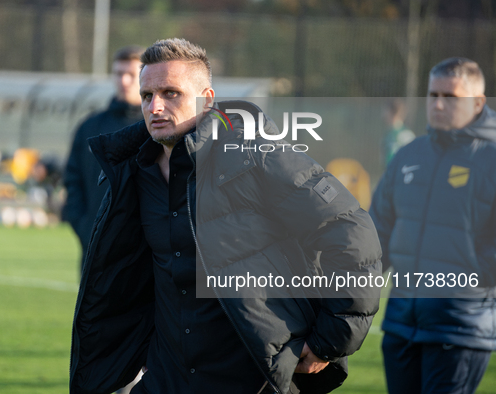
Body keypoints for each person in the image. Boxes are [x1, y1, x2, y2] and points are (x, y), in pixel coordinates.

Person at [70, 38, 382, 394]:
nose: (155, 106)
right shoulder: (131, 170)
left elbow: (351, 232)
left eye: (171, 93)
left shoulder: (256, 153)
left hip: (253, 375)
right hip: (167, 376)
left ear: (206, 98)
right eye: (146, 96)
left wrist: (332, 337)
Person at [370, 57, 496, 394]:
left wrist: (475, 274)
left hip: (459, 327)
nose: (439, 104)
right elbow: (376, 233)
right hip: (400, 324)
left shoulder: (491, 159)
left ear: (478, 102)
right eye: (433, 95)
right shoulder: (408, 155)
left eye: (451, 97)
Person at [61, 45, 144, 271]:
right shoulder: (90, 127)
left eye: (131, 74)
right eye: (119, 74)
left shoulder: (156, 129)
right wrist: (84, 227)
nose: (124, 81)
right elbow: (72, 179)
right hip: (94, 248)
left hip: (144, 254)